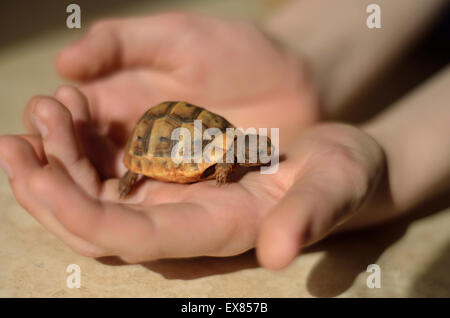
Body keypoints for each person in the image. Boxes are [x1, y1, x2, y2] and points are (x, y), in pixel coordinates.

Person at [0, 0, 448, 270]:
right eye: (258, 149)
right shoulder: (226, 149)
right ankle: (131, 174)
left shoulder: (236, 149)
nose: (263, 153)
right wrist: (304, 58)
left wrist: (397, 154)